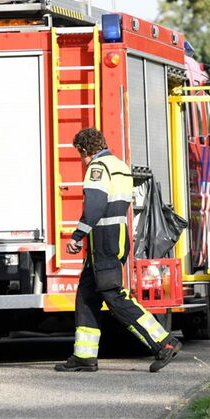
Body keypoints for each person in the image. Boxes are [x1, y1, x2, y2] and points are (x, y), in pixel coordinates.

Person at [55, 128, 181, 373]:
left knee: (113, 295)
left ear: (84, 151)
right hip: (116, 238)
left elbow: (95, 206)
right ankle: (84, 356)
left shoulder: (97, 167)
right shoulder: (120, 165)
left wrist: (78, 235)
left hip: (103, 240)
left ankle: (164, 342)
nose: (81, 160)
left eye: (80, 155)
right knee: (87, 296)